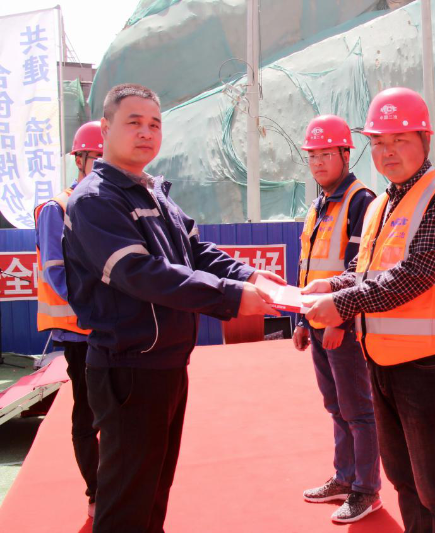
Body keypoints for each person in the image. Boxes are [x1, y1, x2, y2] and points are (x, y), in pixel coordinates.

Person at [62, 83, 284, 533]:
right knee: (127, 504)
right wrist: (231, 297)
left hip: (165, 366)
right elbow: (142, 274)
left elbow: (197, 253)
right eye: (134, 123)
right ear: (105, 129)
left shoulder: (153, 194)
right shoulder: (96, 200)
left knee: (153, 495)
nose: (146, 133)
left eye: (154, 124)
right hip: (128, 369)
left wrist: (249, 276)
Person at [304, 87, 435, 533]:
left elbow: (414, 274)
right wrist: (333, 284)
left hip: (430, 366)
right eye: (379, 142)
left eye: (400, 140)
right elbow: (367, 271)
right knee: (404, 482)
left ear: (425, 139)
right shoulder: (382, 203)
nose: (387, 152)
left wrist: (340, 303)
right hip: (381, 360)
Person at [292, 114, 381, 523]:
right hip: (316, 321)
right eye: (312, 155)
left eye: (326, 154)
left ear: (347, 154)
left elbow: (358, 268)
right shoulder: (319, 205)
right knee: (336, 406)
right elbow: (308, 266)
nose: (318, 162)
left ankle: (366, 489)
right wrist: (301, 320)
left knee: (358, 409)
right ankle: (345, 478)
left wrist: (339, 321)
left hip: (343, 325)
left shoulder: (361, 201)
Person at [33, 120, 103, 518]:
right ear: (80, 160)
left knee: (117, 412)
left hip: (112, 330)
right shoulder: (56, 209)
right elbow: (58, 275)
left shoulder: (109, 204)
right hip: (81, 333)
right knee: (87, 415)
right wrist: (99, 311)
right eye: (98, 157)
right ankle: (96, 491)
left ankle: (116, 484)